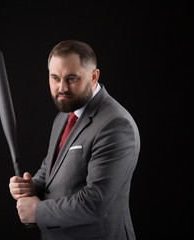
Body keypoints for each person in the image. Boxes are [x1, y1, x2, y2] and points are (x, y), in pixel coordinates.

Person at [9, 40, 140, 240]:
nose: (62, 88)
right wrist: (32, 186)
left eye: (71, 78)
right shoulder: (65, 114)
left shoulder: (115, 124)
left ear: (94, 76)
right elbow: (52, 169)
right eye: (55, 78)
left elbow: (94, 202)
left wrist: (37, 212)